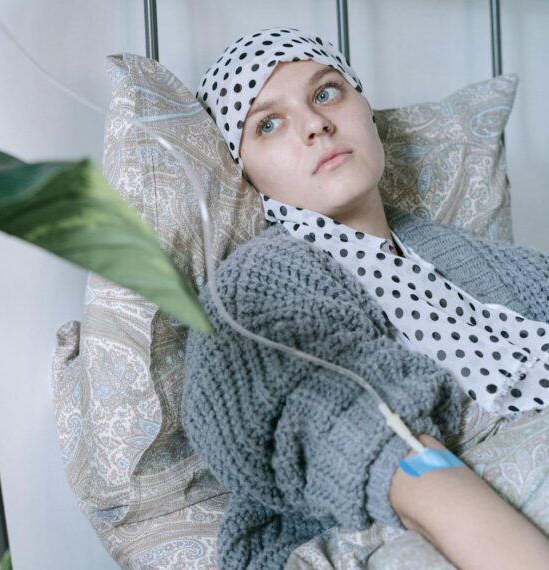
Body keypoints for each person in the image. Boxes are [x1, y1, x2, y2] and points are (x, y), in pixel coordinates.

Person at [182, 26, 549, 569]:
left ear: (366, 111)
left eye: (326, 92)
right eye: (268, 123)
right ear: (245, 173)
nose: (315, 124)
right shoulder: (255, 289)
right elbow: (389, 455)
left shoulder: (485, 262)